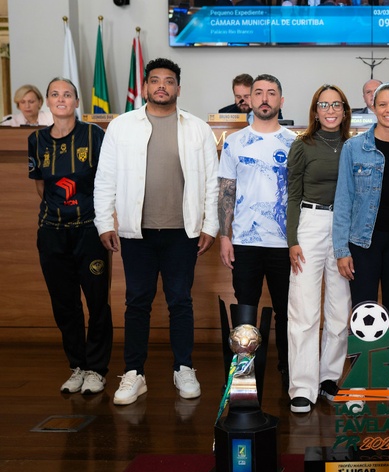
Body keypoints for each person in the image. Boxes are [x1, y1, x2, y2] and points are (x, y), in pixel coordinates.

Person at [94, 58, 219, 406]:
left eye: (168, 81)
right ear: (146, 87)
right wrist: (105, 222)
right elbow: (105, 179)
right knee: (137, 303)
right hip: (137, 234)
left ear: (179, 88)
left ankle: (184, 368)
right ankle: (134, 374)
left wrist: (210, 224)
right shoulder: (122, 127)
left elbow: (213, 181)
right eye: (155, 80)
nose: (161, 86)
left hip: (183, 233)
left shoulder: (196, 128)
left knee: (181, 302)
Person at [333, 82, 389, 408]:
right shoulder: (354, 148)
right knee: (364, 309)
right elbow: (343, 201)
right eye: (382, 104)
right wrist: (341, 249)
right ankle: (360, 381)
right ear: (373, 107)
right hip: (363, 241)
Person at [29, 77, 112, 395]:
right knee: (64, 304)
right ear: (47, 102)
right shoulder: (36, 140)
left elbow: (106, 181)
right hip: (52, 233)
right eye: (54, 94)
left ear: (77, 102)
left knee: (97, 303)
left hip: (89, 231)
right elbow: (41, 186)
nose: (60, 99)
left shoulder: (94, 135)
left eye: (67, 94)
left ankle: (96, 369)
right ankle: (77, 366)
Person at [218, 73, 296, 392]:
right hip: (245, 242)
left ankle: (290, 372)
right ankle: (245, 376)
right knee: (245, 309)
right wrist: (225, 235)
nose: (265, 98)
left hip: (284, 244)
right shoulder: (234, 142)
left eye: (271, 93)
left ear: (281, 100)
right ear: (248, 99)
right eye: (258, 93)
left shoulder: (295, 143)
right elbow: (226, 190)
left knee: (287, 311)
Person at [285, 84, 352, 414]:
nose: (329, 110)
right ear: (315, 111)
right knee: (304, 309)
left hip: (344, 229)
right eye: (323, 105)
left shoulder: (354, 146)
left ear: (344, 110)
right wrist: (292, 240)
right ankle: (302, 386)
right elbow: (293, 195)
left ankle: (328, 379)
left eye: (335, 105)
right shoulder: (303, 146)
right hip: (309, 226)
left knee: (340, 310)